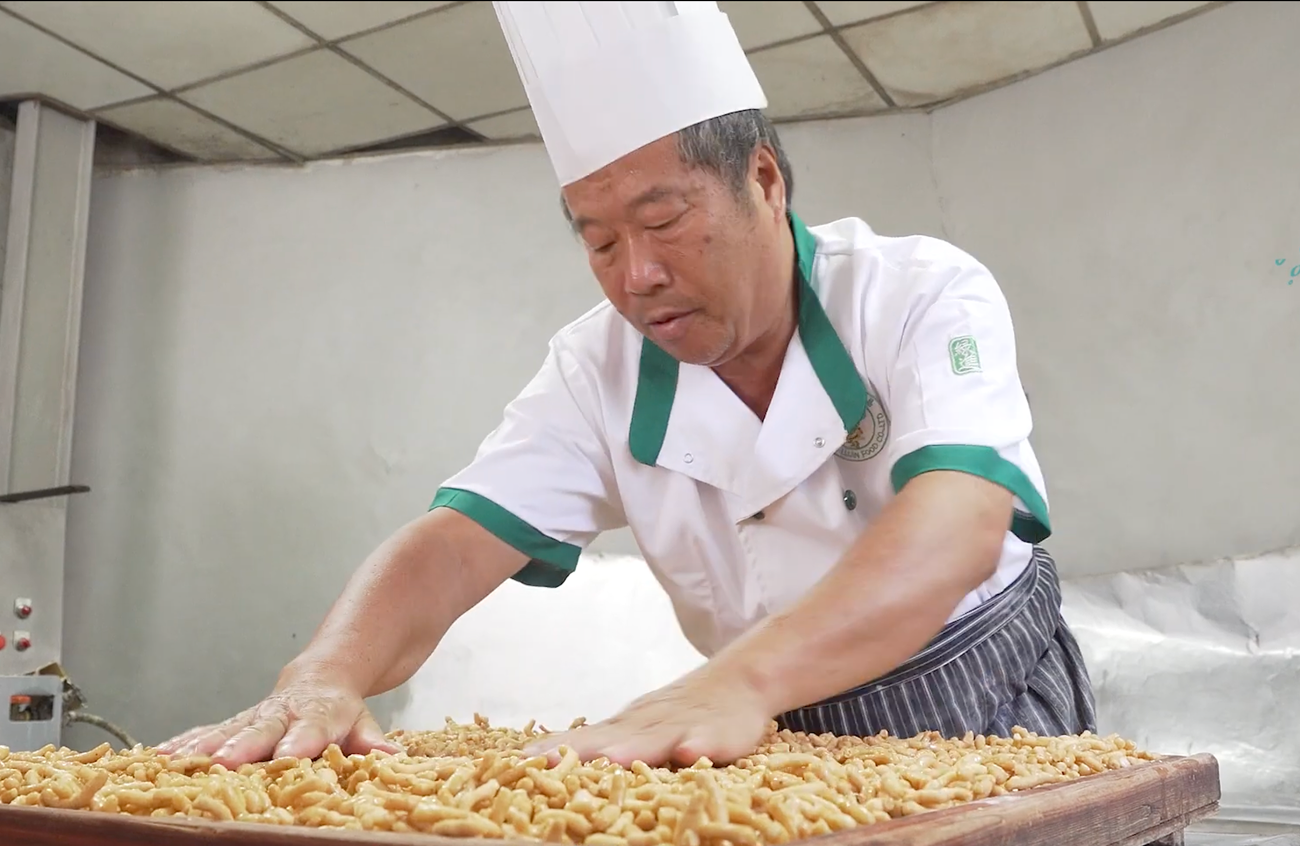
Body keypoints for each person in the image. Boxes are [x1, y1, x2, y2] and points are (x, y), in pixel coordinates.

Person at [159, 0, 1096, 770]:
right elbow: (451, 547)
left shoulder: (917, 292)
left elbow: (958, 523)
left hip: (984, 693)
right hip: (777, 729)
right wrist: (324, 673)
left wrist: (737, 682)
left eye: (664, 220)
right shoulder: (593, 369)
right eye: (600, 242)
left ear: (764, 180)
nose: (636, 275)